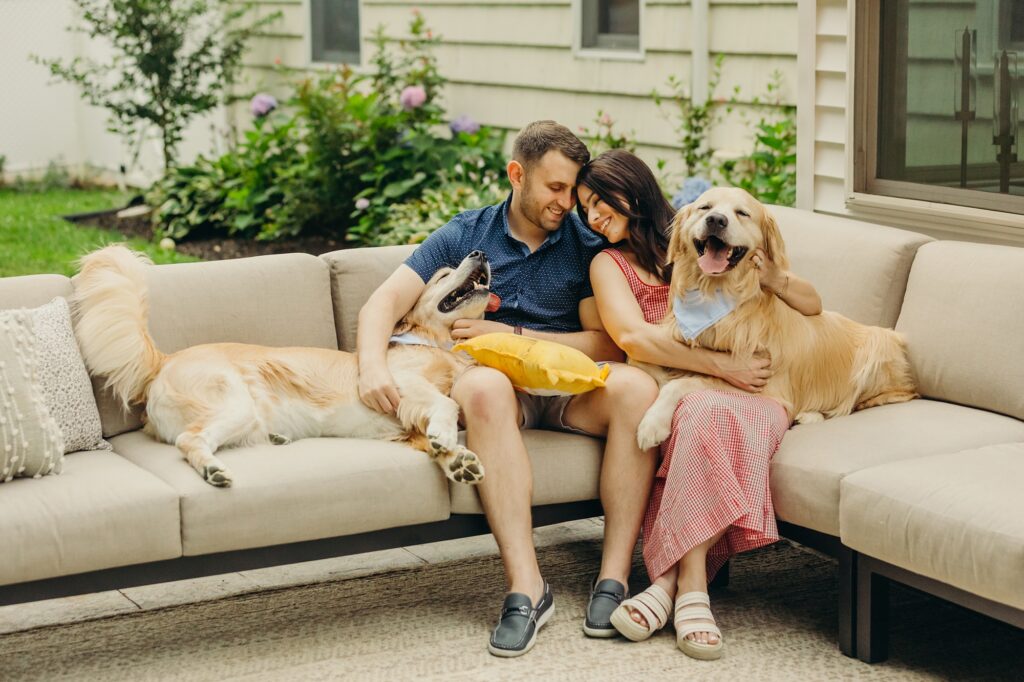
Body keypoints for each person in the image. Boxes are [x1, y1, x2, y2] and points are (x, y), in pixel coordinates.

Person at [356, 122, 663, 657]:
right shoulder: (465, 235)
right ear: (516, 175)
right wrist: (370, 368)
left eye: (573, 190)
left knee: (635, 388)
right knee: (480, 389)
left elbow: (606, 344)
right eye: (555, 188)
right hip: (501, 389)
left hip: (568, 388)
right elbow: (381, 303)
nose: (568, 203)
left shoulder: (586, 243)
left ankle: (612, 578)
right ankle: (528, 588)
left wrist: (516, 334)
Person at [575, 149, 822, 660]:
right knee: (696, 413)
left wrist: (773, 277)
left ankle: (668, 586)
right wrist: (720, 368)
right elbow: (635, 339)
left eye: (602, 202)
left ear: (636, 190)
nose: (594, 217)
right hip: (712, 385)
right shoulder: (627, 259)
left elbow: (812, 305)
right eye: (585, 208)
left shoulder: (715, 238)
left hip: (764, 387)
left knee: (696, 412)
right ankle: (689, 588)